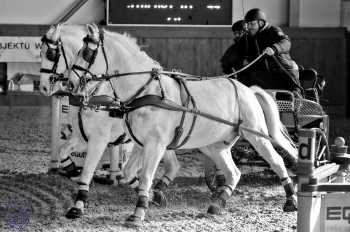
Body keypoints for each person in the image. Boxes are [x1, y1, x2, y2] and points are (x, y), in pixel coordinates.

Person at [235, 8, 301, 93]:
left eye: (252, 24)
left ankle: (297, 95)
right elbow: (240, 56)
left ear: (261, 23)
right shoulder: (247, 38)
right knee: (249, 78)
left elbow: (286, 42)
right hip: (266, 74)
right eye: (248, 24)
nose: (249, 27)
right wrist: (243, 61)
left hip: (284, 72)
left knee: (294, 95)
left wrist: (274, 48)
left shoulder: (273, 30)